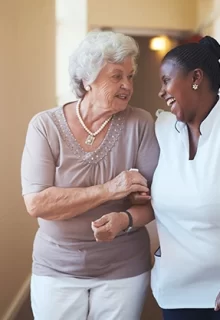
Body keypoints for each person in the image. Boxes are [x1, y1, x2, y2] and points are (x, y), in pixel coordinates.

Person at [21, 31, 159, 320]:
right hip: (56, 267)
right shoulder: (45, 126)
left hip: (123, 268)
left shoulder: (141, 123)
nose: (126, 85)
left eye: (130, 76)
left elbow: (153, 201)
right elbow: (37, 203)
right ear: (86, 79)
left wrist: (125, 219)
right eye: (116, 76)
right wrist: (110, 190)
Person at [150, 35, 220, 320]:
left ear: (196, 77)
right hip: (174, 292)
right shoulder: (163, 128)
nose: (161, 91)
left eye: (166, 80)